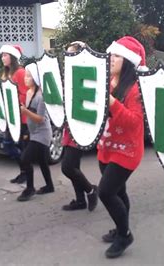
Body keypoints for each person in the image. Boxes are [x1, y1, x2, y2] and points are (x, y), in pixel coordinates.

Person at [97, 36, 146, 258]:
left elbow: (135, 122)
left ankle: (124, 235)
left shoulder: (135, 88)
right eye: (111, 54)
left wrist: (113, 102)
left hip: (127, 150)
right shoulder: (106, 81)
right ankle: (120, 227)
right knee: (119, 191)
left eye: (116, 55)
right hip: (106, 146)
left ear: (128, 60)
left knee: (106, 192)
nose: (111, 58)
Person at [61, 41, 98, 212]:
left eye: (71, 54)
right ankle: (80, 200)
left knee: (68, 167)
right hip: (70, 127)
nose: (68, 57)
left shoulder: (89, 76)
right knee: (73, 167)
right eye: (67, 54)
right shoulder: (69, 75)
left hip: (82, 127)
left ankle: (91, 190)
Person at [16, 63, 54, 201]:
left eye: (29, 76)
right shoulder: (28, 92)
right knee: (42, 161)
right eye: (25, 76)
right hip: (33, 132)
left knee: (25, 159)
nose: (25, 79)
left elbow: (39, 118)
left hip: (42, 134)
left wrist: (25, 111)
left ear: (36, 79)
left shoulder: (41, 97)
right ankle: (49, 186)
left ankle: (30, 188)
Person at [0, 44, 29, 184]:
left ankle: (25, 173)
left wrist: (15, 104)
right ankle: (23, 171)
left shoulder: (20, 73)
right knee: (8, 144)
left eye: (5, 55)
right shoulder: (7, 73)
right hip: (10, 116)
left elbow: (25, 94)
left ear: (12, 57)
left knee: (20, 146)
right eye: (2, 55)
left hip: (21, 117)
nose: (2, 58)